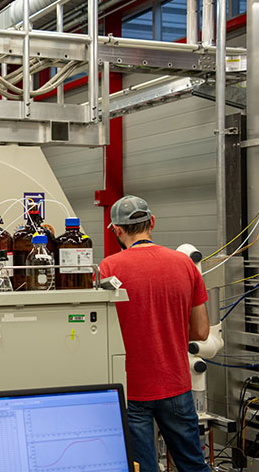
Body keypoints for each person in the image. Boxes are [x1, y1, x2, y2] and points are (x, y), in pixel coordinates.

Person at [98, 195, 210, 472]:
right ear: (153, 222)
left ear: (117, 230)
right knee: (193, 466)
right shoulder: (185, 264)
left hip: (131, 390)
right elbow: (202, 331)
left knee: (142, 467)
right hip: (176, 384)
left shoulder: (107, 269)